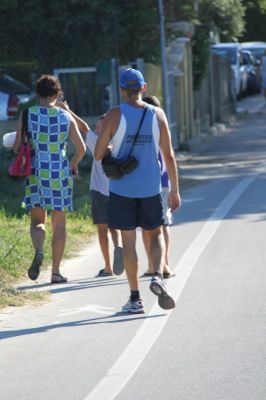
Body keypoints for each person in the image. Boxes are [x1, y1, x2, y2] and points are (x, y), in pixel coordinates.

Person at [94, 68, 181, 313]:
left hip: (122, 188)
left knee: (129, 241)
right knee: (156, 235)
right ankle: (157, 275)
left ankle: (135, 298)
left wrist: (112, 146)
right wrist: (174, 189)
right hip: (152, 187)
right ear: (143, 88)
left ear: (121, 89)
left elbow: (99, 154)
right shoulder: (158, 114)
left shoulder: (113, 115)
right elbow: (169, 155)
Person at [13, 74, 86, 284]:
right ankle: (55, 272)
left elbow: (18, 147)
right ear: (57, 93)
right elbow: (81, 148)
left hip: (36, 172)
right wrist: (72, 165)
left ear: (38, 93)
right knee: (59, 225)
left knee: (37, 221)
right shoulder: (66, 116)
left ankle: (38, 251)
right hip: (60, 174)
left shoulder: (27, 114)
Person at [57, 103, 124, 277]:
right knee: (115, 227)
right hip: (117, 192)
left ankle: (108, 266)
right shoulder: (117, 145)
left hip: (99, 192)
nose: (96, 128)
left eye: (99, 126)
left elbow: (83, 127)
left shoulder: (97, 142)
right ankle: (118, 248)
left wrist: (68, 110)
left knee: (102, 230)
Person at [141, 95, 175, 279]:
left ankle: (153, 265)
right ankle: (165, 263)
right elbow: (170, 156)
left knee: (148, 227)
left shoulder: (140, 128)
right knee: (163, 224)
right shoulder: (162, 125)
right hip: (163, 182)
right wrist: (176, 187)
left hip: (145, 183)